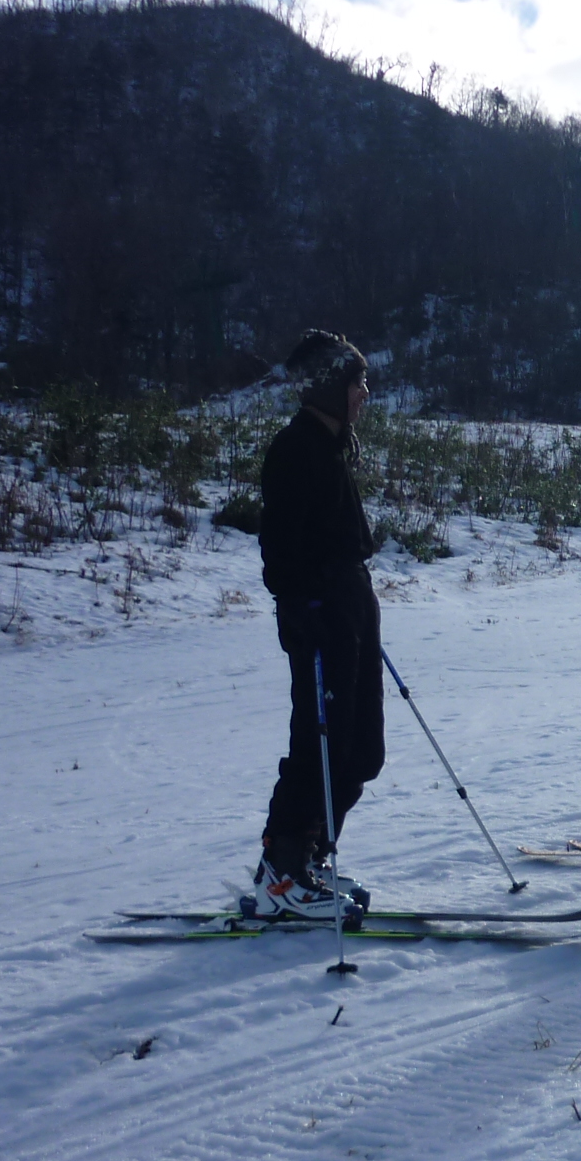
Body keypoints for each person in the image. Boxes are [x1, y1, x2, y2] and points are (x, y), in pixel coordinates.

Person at [251, 330, 385, 919]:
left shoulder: (334, 446)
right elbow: (280, 549)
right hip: (320, 614)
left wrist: (354, 607)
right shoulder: (295, 449)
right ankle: (282, 875)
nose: (364, 393)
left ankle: (309, 858)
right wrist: (303, 609)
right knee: (319, 746)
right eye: (356, 382)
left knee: (361, 751)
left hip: (350, 605)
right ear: (329, 386)